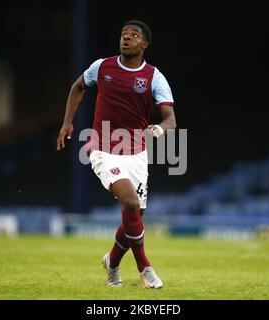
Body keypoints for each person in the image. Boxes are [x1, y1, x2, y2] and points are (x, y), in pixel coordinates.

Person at [56, 20, 176, 289]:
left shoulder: (154, 76)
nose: (127, 38)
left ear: (144, 45)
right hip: (102, 149)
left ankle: (112, 262)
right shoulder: (102, 67)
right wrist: (67, 122)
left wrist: (159, 127)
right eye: (123, 34)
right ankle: (145, 268)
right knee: (131, 203)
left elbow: (171, 121)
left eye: (134, 36)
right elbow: (78, 87)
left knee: (134, 217)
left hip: (137, 154)